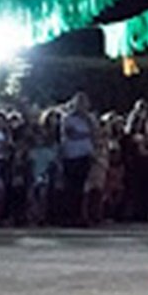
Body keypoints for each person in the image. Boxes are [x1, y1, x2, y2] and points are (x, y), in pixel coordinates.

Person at [59, 93, 96, 225]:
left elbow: (94, 133)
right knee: (70, 187)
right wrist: (84, 134)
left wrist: (88, 122)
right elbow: (70, 134)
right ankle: (68, 216)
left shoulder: (90, 118)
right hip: (71, 155)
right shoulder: (68, 118)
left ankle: (80, 215)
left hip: (85, 154)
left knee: (82, 188)